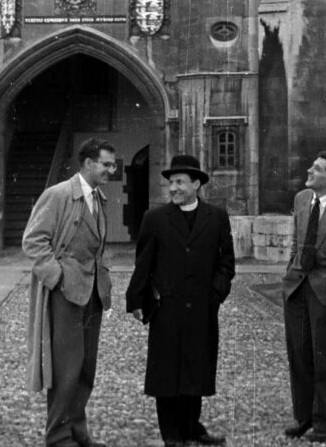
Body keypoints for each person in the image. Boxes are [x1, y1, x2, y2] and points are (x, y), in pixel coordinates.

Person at [126, 154, 235, 447]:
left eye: (179, 182)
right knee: (167, 373)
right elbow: (143, 264)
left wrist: (216, 294)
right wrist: (136, 300)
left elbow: (226, 264)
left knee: (196, 370)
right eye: (171, 182)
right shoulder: (155, 219)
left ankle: (191, 428)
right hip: (168, 309)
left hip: (202, 309)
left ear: (196, 184)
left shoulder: (217, 217)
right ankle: (172, 435)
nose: (173, 188)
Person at [22, 137, 117, 447]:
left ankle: (78, 432)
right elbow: (33, 240)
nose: (111, 170)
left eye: (112, 165)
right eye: (106, 164)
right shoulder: (59, 195)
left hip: (92, 295)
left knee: (86, 368)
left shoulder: (99, 198)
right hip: (66, 294)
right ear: (88, 163)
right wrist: (57, 277)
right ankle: (58, 436)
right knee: (66, 368)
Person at [282, 152, 326, 444]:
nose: (309, 170)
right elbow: (297, 242)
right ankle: (304, 419)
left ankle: (324, 427)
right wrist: (290, 272)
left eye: (317, 168)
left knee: (325, 362)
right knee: (299, 357)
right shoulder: (301, 199)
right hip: (297, 288)